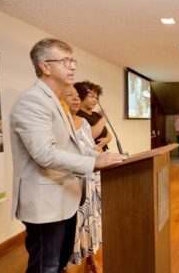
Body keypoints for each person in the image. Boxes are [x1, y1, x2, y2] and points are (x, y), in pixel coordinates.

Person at [9, 38, 125, 273]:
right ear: (45, 66)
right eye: (65, 61)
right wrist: (93, 161)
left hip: (65, 199)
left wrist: (100, 155)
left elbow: (68, 147)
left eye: (72, 60)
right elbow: (44, 154)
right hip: (45, 202)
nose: (72, 66)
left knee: (59, 262)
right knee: (46, 267)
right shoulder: (33, 101)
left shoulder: (55, 102)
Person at [63, 86, 102, 271]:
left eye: (77, 96)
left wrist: (98, 153)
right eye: (70, 95)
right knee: (73, 225)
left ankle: (90, 260)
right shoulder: (60, 123)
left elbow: (89, 147)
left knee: (88, 221)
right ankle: (65, 264)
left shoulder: (84, 123)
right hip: (70, 182)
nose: (76, 99)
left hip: (89, 180)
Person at [74, 81, 111, 151]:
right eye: (91, 97)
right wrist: (104, 118)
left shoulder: (96, 115)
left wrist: (106, 140)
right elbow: (91, 135)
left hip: (103, 153)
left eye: (96, 98)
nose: (95, 100)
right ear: (81, 97)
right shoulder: (77, 115)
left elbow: (108, 134)